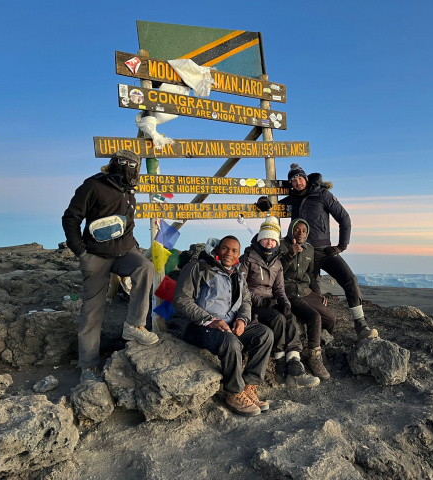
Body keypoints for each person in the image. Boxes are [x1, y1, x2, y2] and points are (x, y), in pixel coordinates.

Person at [62, 149, 158, 383]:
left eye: (133, 165)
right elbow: (71, 218)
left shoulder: (129, 189)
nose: (128, 168)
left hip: (124, 252)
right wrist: (81, 252)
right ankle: (88, 365)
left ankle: (134, 325)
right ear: (114, 163)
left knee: (145, 267)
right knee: (92, 311)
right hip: (95, 255)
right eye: (123, 163)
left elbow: (128, 223)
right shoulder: (93, 185)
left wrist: (133, 246)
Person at [257, 163, 378, 340]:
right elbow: (272, 207)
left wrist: (341, 246)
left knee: (350, 280)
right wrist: (263, 202)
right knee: (314, 291)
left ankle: (360, 324)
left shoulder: (322, 195)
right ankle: (317, 331)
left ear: (306, 179)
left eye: (300, 178)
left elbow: (344, 218)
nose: (297, 182)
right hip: (302, 252)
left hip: (323, 250)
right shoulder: (292, 200)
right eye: (293, 180)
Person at [173, 236, 274, 417]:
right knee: (230, 342)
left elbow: (246, 301)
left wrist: (242, 320)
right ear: (218, 249)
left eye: (234, 251)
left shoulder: (238, 273)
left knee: (264, 334)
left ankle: (249, 386)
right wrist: (210, 320)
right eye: (225, 248)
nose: (229, 253)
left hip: (229, 325)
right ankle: (234, 393)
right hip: (200, 326)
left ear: (238, 254)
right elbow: (182, 300)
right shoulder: (198, 268)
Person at [239, 217, 319, 388]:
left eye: (273, 239)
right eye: (266, 238)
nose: (269, 243)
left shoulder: (277, 262)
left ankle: (294, 364)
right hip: (250, 305)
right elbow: (241, 287)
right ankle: (280, 364)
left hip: (269, 301)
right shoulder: (247, 258)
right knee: (278, 318)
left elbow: (279, 289)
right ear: (259, 239)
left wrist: (284, 302)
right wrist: (261, 301)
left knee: (289, 317)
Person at [280, 218, 335, 380]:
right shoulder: (281, 246)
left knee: (330, 319)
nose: (300, 233)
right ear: (291, 230)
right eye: (297, 229)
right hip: (288, 291)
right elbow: (277, 272)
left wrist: (317, 293)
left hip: (306, 290)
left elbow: (311, 274)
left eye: (304, 230)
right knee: (314, 317)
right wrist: (290, 255)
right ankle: (313, 357)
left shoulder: (309, 249)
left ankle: (322, 343)